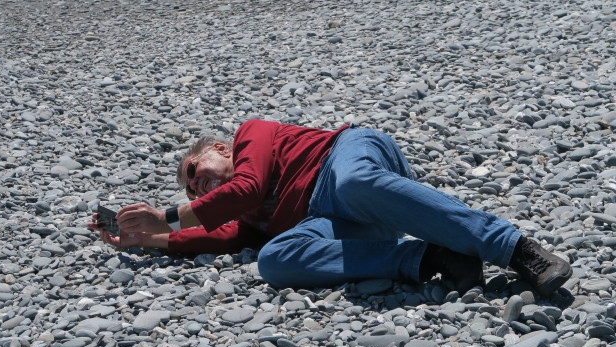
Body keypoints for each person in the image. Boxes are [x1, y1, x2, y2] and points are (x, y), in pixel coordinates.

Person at [89, 119, 572, 297]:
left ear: (218, 146)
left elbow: (251, 186)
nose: (199, 185)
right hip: (335, 219)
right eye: (194, 190)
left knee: (358, 182)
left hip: (342, 160)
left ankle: (516, 249)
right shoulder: (238, 214)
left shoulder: (251, 135)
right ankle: (431, 259)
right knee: (275, 260)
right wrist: (143, 239)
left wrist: (170, 214)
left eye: (196, 169)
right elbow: (218, 237)